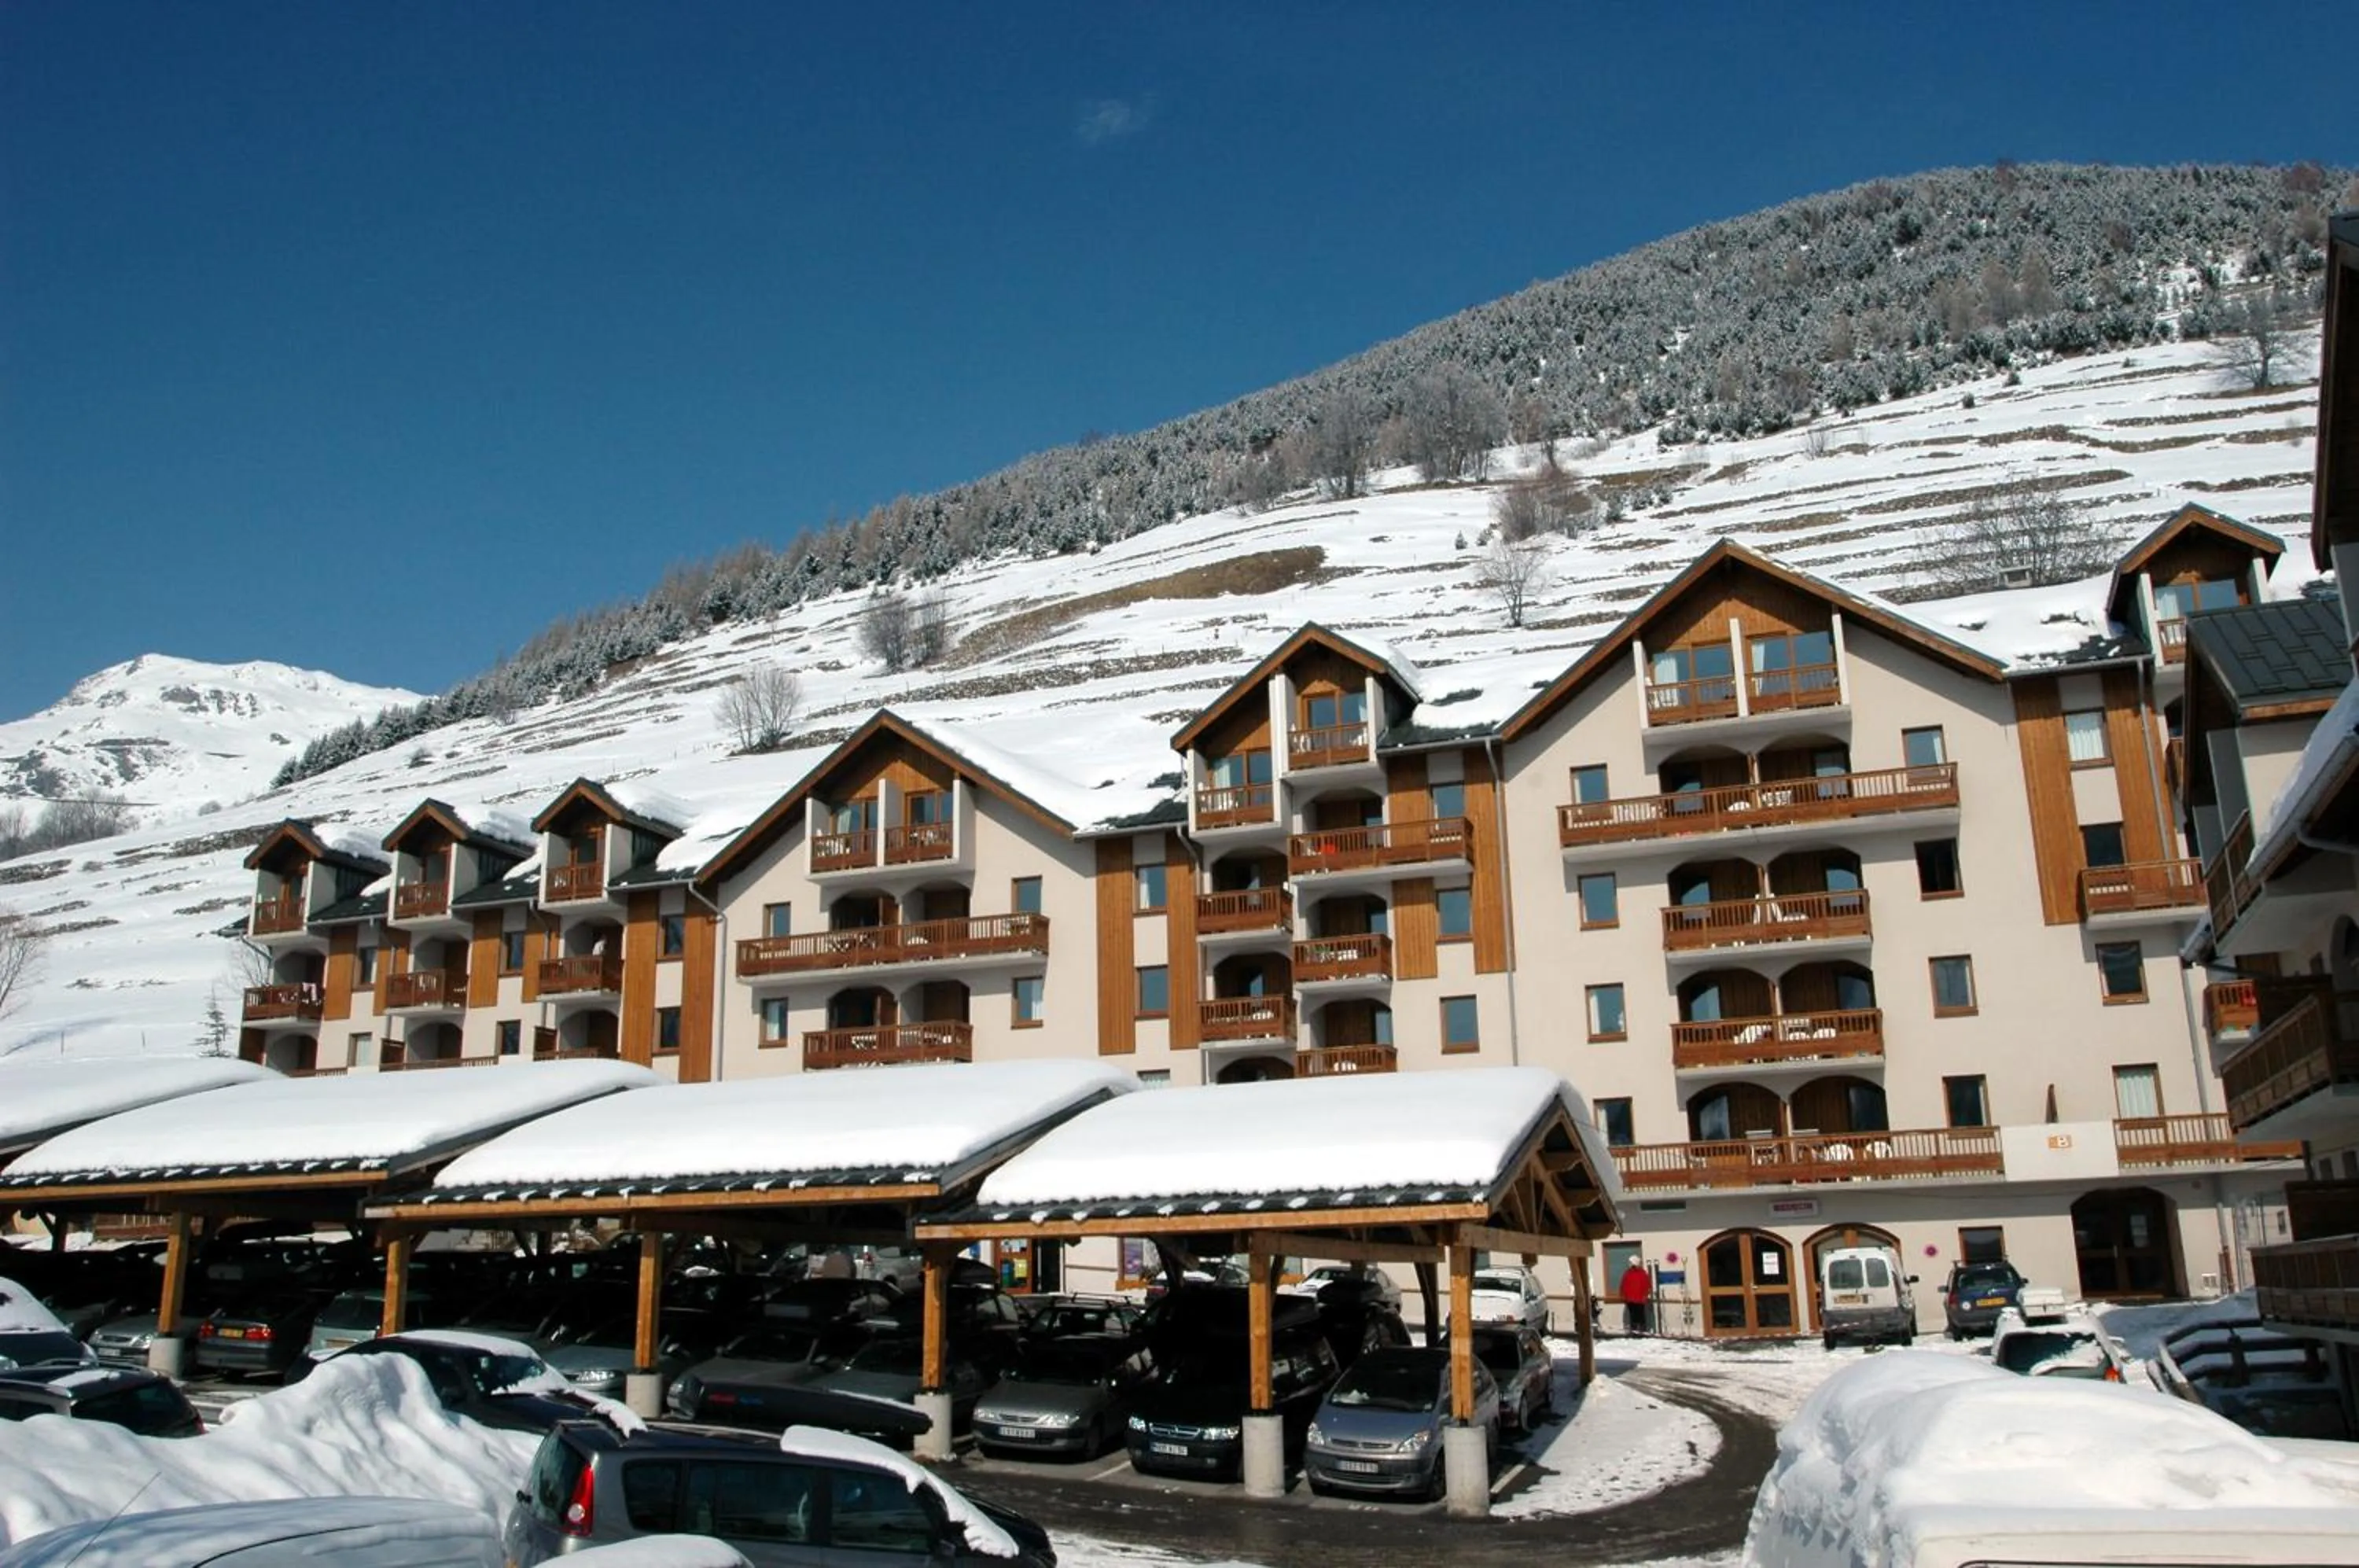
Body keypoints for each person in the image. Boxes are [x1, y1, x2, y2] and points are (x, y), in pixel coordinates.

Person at [1618, 1257, 1652, 1335]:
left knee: (1633, 1316)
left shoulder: (1628, 1273)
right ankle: (1642, 1331)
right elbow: (1648, 1286)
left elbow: (1623, 1286)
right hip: (1640, 1300)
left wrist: (1623, 1296)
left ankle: (1635, 1331)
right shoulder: (1643, 1273)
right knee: (1640, 1315)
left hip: (1631, 1299)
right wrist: (1646, 1295)